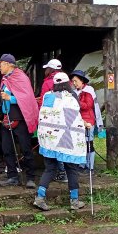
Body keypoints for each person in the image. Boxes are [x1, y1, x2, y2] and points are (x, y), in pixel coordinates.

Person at [34, 72, 87, 211]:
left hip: (50, 139)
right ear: (67, 83)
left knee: (50, 168)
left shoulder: (48, 96)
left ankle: (39, 197)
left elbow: (46, 116)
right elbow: (74, 117)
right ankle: (74, 201)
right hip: (67, 139)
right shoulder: (72, 97)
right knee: (72, 169)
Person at [0, 54, 39, 188]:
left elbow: (27, 99)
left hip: (19, 118)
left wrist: (10, 98)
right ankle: (12, 177)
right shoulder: (4, 80)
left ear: (8, 64)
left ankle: (30, 177)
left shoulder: (21, 77)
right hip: (6, 118)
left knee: (26, 148)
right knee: (7, 149)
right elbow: (2, 99)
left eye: (1, 64)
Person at [37, 58, 68, 183]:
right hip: (64, 118)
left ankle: (59, 172)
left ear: (50, 69)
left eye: (47, 69)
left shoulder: (47, 83)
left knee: (51, 145)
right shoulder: (67, 81)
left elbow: (45, 103)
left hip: (51, 119)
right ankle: (63, 171)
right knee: (60, 145)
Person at [70, 69, 104, 171]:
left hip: (88, 121)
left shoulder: (89, 91)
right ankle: (81, 165)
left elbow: (88, 106)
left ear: (82, 80)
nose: (74, 83)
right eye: (73, 81)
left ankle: (90, 166)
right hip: (78, 121)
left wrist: (75, 102)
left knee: (89, 143)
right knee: (80, 143)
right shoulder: (74, 92)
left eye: (76, 81)